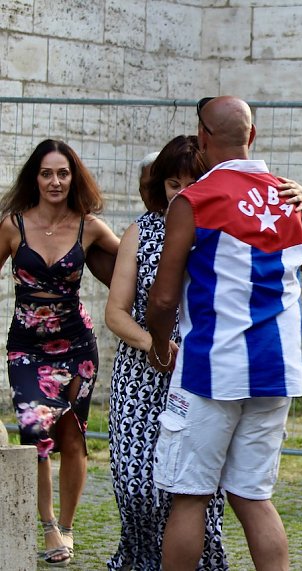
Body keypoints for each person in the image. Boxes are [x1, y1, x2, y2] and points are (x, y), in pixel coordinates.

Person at [146, 96, 302, 571]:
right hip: (276, 367)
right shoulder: (286, 195)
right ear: (253, 135)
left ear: (202, 138)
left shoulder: (195, 200)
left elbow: (162, 299)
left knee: (190, 497)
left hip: (210, 367)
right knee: (253, 498)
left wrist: (161, 346)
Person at [105, 136, 228, 571]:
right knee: (134, 482)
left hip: (198, 372)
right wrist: (153, 345)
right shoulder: (141, 231)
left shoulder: (222, 233)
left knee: (192, 487)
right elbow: (115, 312)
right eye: (173, 183)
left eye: (191, 182)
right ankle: (140, 560)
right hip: (141, 370)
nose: (182, 192)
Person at [0, 139, 120, 566]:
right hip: (26, 349)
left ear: (74, 179)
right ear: (35, 177)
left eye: (63, 173)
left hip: (77, 347)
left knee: (73, 435)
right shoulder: (13, 225)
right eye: (47, 173)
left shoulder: (90, 227)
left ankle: (66, 528)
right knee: (35, 434)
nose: (55, 181)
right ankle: (47, 524)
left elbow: (132, 266)